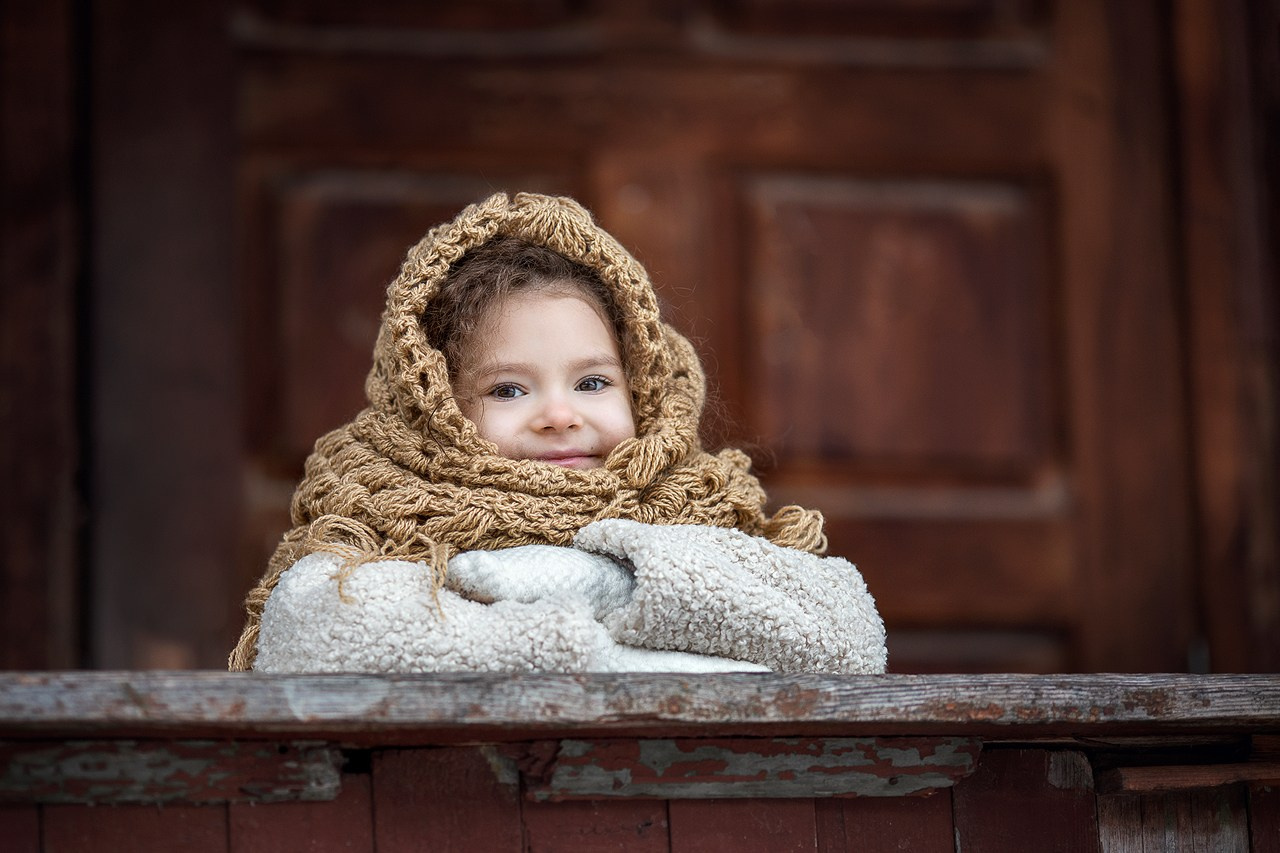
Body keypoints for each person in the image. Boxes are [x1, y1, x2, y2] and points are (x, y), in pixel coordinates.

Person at [229, 191, 886, 674]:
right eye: (508, 390)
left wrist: (604, 581)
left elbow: (848, 633)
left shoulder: (697, 509)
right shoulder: (386, 512)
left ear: (643, 387)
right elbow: (311, 633)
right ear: (436, 413)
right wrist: (622, 658)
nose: (560, 414)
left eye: (593, 382)